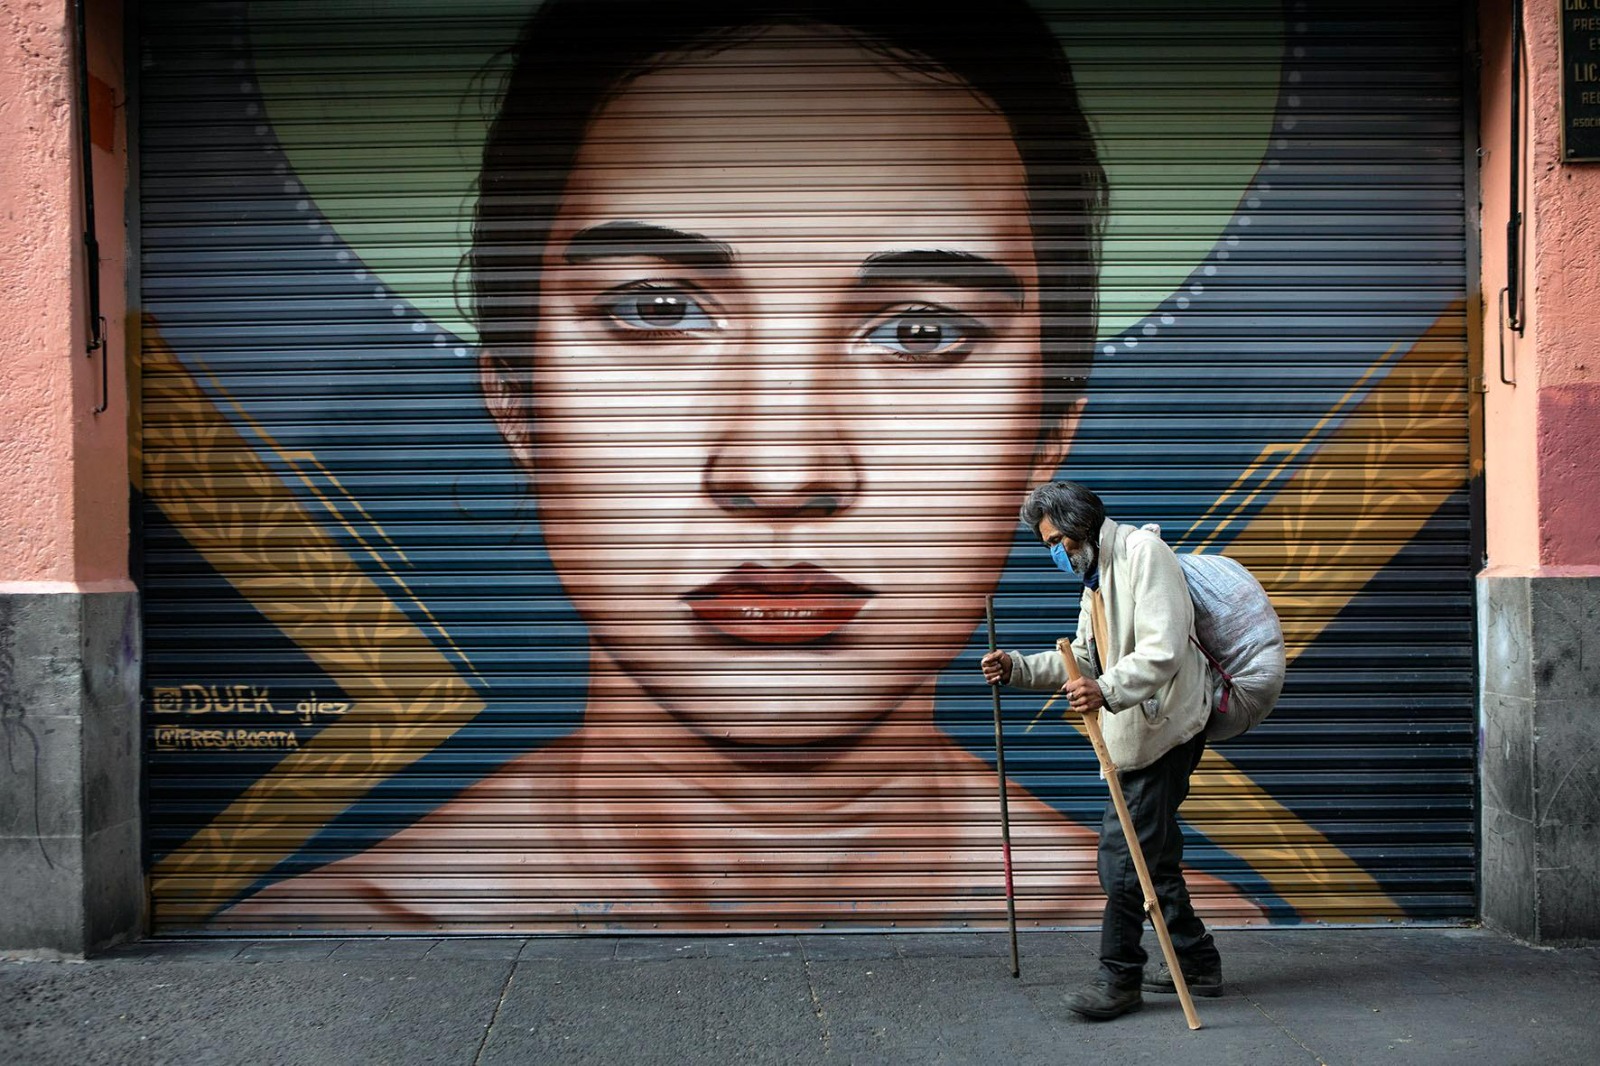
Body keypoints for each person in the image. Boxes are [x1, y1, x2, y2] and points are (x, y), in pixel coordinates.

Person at [223, 0, 1257, 937]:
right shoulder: (331, 930)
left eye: (920, 329)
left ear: (1042, 436)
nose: (779, 467)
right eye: (658, 309)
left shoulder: (1173, 924)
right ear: (517, 404)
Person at [981, 479, 1224, 1020]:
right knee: (1152, 857)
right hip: (1136, 731)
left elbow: (1163, 650)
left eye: (1057, 541)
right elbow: (1084, 659)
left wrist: (1107, 691)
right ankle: (1198, 963)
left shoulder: (1144, 555)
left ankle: (1118, 978)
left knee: (1121, 858)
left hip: (1165, 731)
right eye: (1047, 545)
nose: (1055, 552)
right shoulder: (1096, 579)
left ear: (1082, 526)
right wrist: (1017, 667)